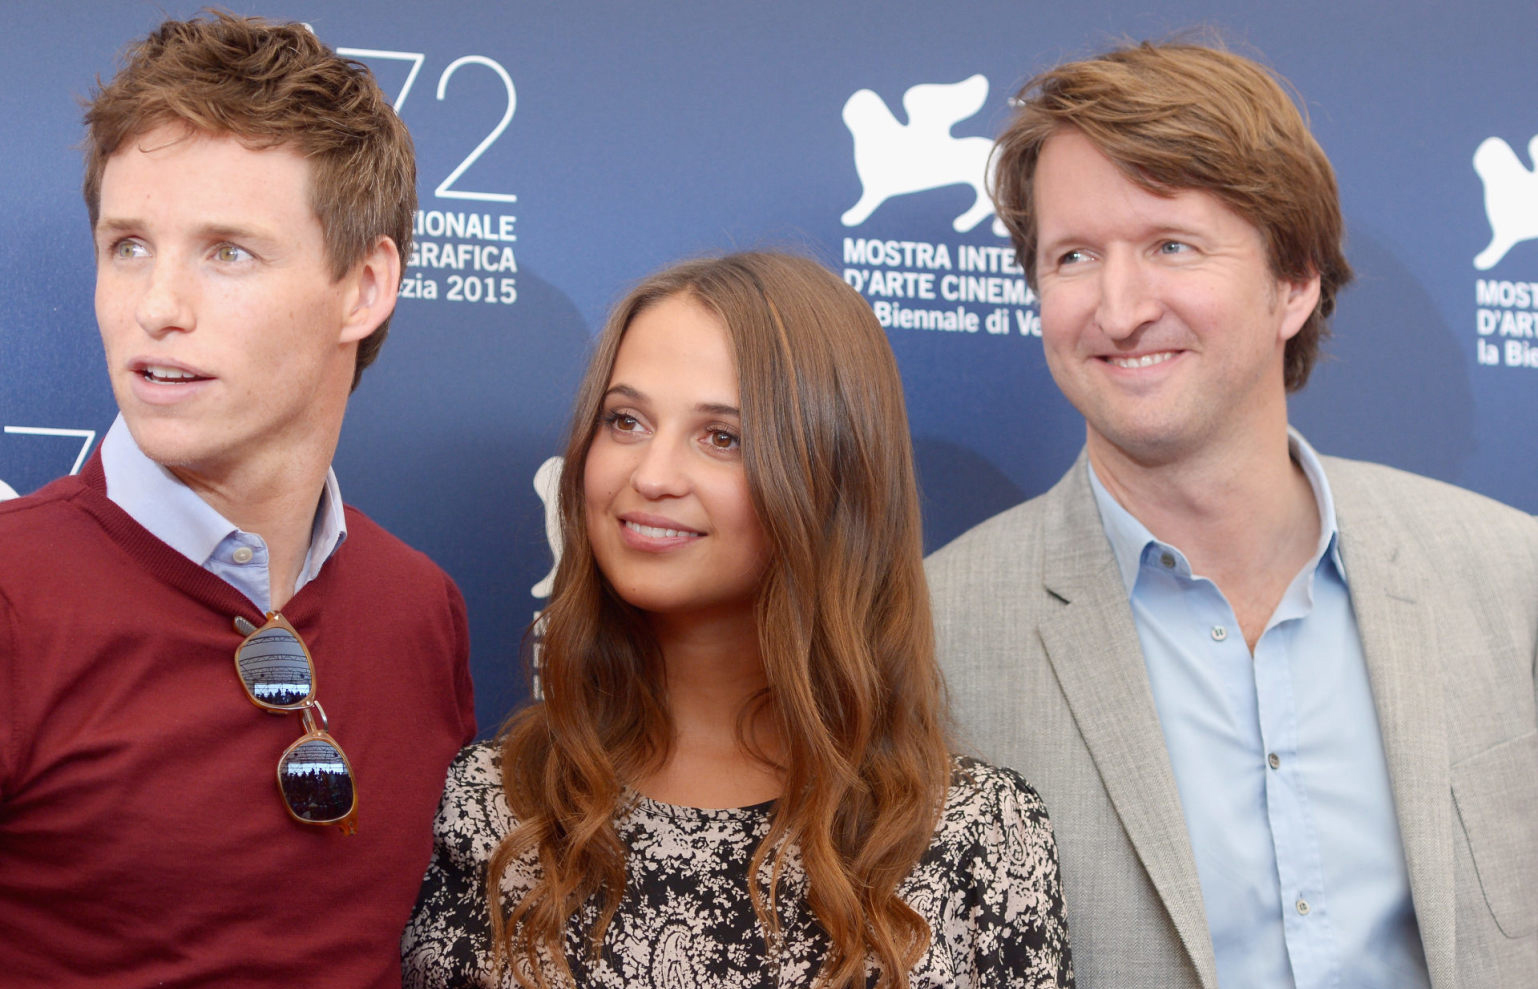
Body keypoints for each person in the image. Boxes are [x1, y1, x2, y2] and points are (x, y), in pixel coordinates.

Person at [926, 40, 1538, 989]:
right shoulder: (934, 634)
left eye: (1170, 246)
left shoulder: (1510, 577)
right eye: (1074, 257)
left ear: (1294, 282)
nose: (1119, 309)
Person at [401, 252, 1074, 988]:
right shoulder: (492, 806)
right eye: (625, 421)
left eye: (722, 436)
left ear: (831, 476)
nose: (651, 474)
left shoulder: (977, 835)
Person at [0, 13, 475, 987]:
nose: (157, 305)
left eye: (227, 252)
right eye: (128, 246)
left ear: (365, 286)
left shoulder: (420, 608)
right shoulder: (13, 594)